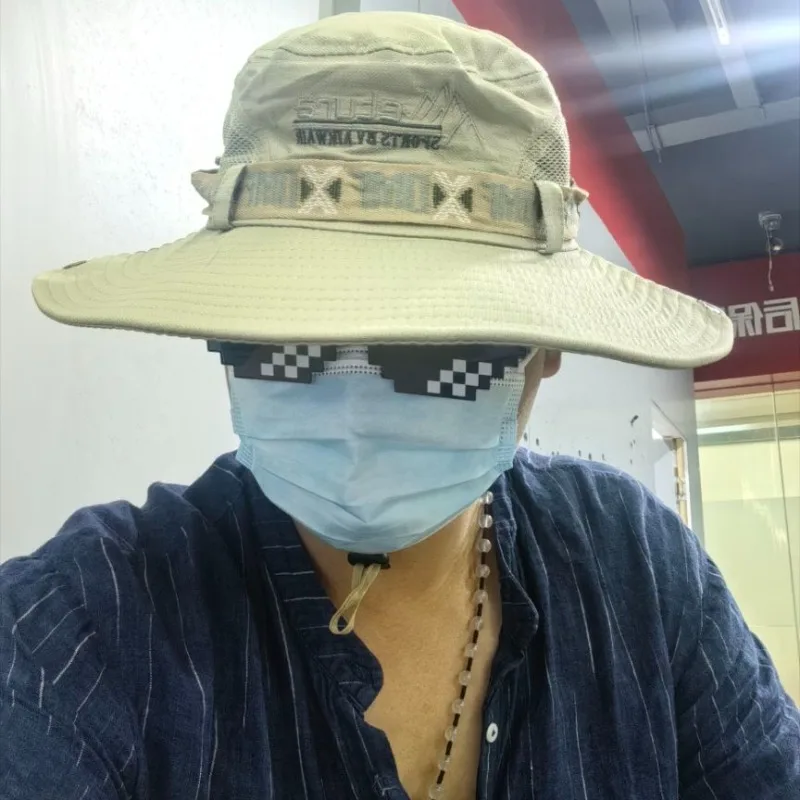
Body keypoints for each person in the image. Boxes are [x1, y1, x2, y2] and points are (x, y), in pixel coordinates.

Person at [1, 11, 798, 800]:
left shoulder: (636, 569)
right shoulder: (87, 621)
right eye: (291, 338)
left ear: (544, 349)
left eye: (436, 349)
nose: (356, 405)